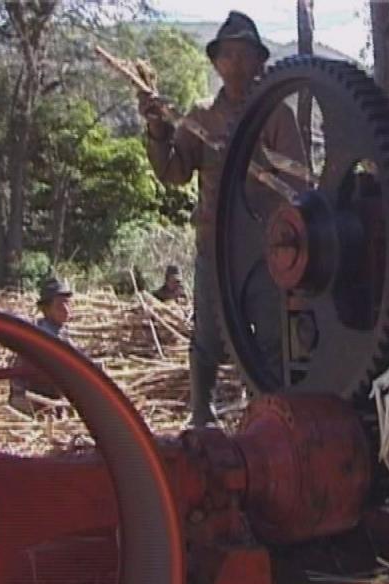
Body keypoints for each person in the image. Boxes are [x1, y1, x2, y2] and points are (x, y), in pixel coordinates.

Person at [138, 11, 306, 428]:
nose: (235, 62)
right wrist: (158, 131)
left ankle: (268, 420)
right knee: (209, 335)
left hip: (265, 250)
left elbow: (298, 182)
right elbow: (174, 173)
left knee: (268, 338)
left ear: (258, 62)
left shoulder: (276, 116)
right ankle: (200, 418)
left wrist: (260, 164)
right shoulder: (200, 117)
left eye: (244, 54)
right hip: (214, 245)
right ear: (217, 63)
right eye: (227, 54)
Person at [8, 279, 75, 415]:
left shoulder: (62, 333)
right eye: (59, 305)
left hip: (50, 397)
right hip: (29, 399)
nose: (66, 309)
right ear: (46, 310)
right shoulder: (41, 335)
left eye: (67, 303)